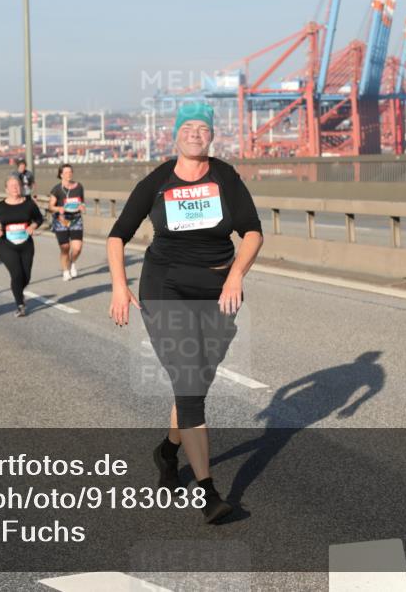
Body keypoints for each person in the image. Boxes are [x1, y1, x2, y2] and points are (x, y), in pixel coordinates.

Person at [107, 102, 264, 524]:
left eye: (203, 128)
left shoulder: (225, 177)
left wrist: (235, 277)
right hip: (166, 287)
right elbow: (117, 235)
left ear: (211, 135)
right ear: (174, 134)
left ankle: (167, 451)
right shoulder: (157, 181)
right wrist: (120, 286)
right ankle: (209, 492)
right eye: (188, 127)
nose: (195, 133)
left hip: (219, 290)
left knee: (199, 378)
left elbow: (252, 231)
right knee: (191, 383)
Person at [0, 174, 43, 317]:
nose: (15, 188)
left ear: (21, 187)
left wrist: (33, 226)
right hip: (6, 244)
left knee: (26, 276)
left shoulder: (29, 204)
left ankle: (18, 291)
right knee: (16, 274)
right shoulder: (1, 206)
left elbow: (39, 218)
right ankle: (20, 304)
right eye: (11, 186)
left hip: (26, 244)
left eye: (17, 185)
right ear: (6, 189)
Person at [48, 164, 86, 281]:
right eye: (66, 172)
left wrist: (82, 207)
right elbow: (50, 206)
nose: (69, 174)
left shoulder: (79, 187)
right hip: (61, 221)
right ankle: (65, 270)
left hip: (76, 219)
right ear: (61, 175)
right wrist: (58, 209)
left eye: (70, 172)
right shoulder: (57, 189)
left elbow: (82, 202)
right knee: (65, 247)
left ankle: (72, 262)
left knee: (77, 248)